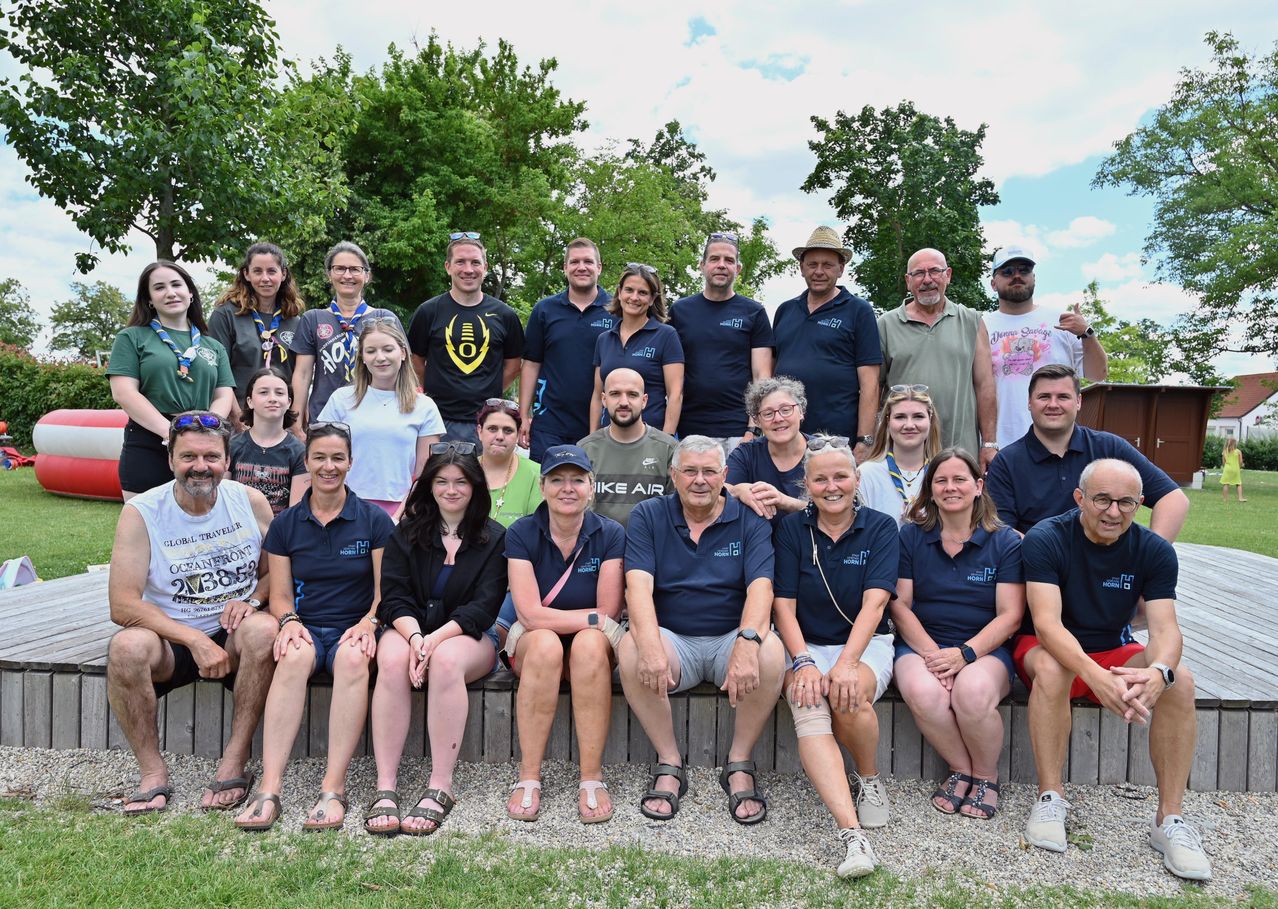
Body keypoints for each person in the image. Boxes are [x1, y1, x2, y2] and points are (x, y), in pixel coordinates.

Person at [1016, 459, 1210, 881]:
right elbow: (1047, 624)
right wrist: (1094, 675)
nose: (1113, 512)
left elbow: (1165, 629)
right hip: (1047, 648)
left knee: (1182, 681)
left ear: (1140, 504)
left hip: (1112, 650)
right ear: (1080, 498)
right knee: (1053, 668)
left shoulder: (1153, 549)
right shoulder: (1047, 538)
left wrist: (1159, 671)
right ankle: (1050, 797)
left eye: (1126, 502)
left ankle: (1169, 820)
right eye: (1102, 499)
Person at [105, 412, 275, 814]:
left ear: (227, 460)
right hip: (171, 638)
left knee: (265, 631)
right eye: (189, 457)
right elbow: (122, 604)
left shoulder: (249, 501)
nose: (201, 466)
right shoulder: (142, 513)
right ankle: (152, 773)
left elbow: (277, 574)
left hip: (235, 633)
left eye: (211, 456)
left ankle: (235, 759)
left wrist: (251, 601)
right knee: (126, 647)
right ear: (170, 460)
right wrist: (194, 640)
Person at [234, 423, 395, 831]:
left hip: (353, 627)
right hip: (305, 623)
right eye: (320, 457)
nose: (329, 466)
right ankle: (269, 789)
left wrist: (369, 622)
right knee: (290, 656)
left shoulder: (374, 520)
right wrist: (287, 622)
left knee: (355, 660)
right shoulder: (287, 523)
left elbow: (385, 591)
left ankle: (333, 788)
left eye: (337, 458)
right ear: (306, 462)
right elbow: (281, 593)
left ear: (350, 463)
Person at [618, 436, 784, 824]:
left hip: (729, 636)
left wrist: (746, 641)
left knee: (771, 651)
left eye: (710, 471)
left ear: (725, 476)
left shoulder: (748, 517)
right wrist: (650, 645)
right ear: (673, 475)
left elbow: (762, 587)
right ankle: (669, 760)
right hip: (675, 639)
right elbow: (637, 585)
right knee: (631, 648)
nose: (700, 480)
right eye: (690, 471)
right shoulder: (649, 514)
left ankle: (739, 761)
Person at [772, 436, 900, 877]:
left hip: (866, 642)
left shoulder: (882, 527)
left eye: (840, 476)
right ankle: (852, 835)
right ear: (805, 484)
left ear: (856, 479)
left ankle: (867, 777)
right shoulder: (791, 530)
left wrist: (846, 662)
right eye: (820, 478)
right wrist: (804, 661)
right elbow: (782, 606)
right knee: (808, 701)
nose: (832, 486)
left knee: (848, 695)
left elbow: (876, 604)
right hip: (805, 643)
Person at [365, 443, 507, 836]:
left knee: (445, 661)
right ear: (429, 486)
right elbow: (393, 596)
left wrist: (434, 641)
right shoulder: (405, 533)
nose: (451, 489)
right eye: (442, 481)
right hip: (408, 628)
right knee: (391, 660)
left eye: (461, 481)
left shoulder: (495, 538)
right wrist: (414, 638)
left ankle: (440, 786)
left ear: (476, 487)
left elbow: (484, 606)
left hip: (467, 635)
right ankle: (385, 786)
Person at [891, 448, 1025, 821]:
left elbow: (1011, 616)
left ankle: (986, 775)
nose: (951, 487)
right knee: (922, 690)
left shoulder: (1005, 542)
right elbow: (900, 605)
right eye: (941, 481)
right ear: (930, 490)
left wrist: (964, 655)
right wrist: (935, 656)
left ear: (978, 486)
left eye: (960, 479)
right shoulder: (912, 537)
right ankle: (963, 768)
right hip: (922, 644)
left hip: (984, 649)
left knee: (973, 692)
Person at [502, 446, 626, 824]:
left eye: (577, 480)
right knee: (543, 644)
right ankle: (529, 775)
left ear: (592, 487)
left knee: (588, 645)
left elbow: (608, 610)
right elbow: (528, 613)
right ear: (542, 486)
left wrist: (589, 621)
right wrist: (588, 618)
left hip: (590, 645)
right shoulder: (521, 532)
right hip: (535, 640)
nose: (567, 488)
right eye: (557, 479)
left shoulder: (610, 533)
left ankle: (591, 777)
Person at [985, 365, 1189, 539]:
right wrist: (1050, 560)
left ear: (1079, 402)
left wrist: (1151, 553)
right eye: (1044, 397)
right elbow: (1003, 531)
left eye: (1063, 397)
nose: (1053, 404)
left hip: (1106, 567)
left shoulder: (1110, 449)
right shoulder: (1007, 462)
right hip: (1037, 572)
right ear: (1029, 402)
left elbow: (1173, 499)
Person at [108, 261, 235, 499]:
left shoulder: (214, 346)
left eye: (176, 284)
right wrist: (170, 433)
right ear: (149, 299)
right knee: (145, 528)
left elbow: (223, 393)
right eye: (159, 288)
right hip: (149, 442)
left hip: (202, 441)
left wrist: (209, 427)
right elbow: (124, 393)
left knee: (202, 526)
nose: (170, 292)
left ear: (190, 293)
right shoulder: (131, 337)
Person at [876, 248, 998, 470]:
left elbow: (985, 385)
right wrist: (871, 442)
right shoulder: (885, 324)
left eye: (935, 271)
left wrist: (989, 443)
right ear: (908, 281)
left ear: (948, 275)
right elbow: (875, 387)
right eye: (919, 273)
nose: (927, 280)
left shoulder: (971, 321)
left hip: (960, 449)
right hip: (904, 451)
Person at [983, 245, 1108, 450]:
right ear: (993, 283)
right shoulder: (981, 326)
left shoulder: (1062, 321)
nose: (1017, 276)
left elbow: (1098, 374)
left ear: (1034, 278)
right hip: (999, 445)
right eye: (1007, 272)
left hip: (1057, 447)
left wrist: (1087, 333)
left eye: (1024, 270)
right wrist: (987, 443)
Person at [773, 226, 881, 460]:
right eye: (812, 264)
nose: (819, 271)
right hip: (786, 437)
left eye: (827, 265)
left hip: (836, 440)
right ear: (801, 268)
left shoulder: (858, 310)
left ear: (841, 269)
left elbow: (870, 383)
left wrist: (864, 440)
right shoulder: (785, 310)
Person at [317, 319, 444, 516]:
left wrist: (402, 515)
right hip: (345, 507)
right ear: (362, 358)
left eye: (387, 349)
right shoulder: (341, 400)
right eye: (371, 351)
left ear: (402, 353)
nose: (380, 357)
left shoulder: (425, 407)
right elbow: (323, 461)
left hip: (401, 509)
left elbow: (425, 473)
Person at [407, 232, 525, 445]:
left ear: (486, 268)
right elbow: (415, 361)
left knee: (485, 478)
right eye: (460, 262)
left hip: (486, 421)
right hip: (436, 419)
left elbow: (515, 366)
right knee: (438, 478)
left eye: (475, 262)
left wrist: (489, 390)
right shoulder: (428, 312)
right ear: (447, 267)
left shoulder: (505, 315)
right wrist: (433, 390)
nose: (468, 270)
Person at [670, 231, 774, 446]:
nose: (721, 265)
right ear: (702, 265)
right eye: (714, 259)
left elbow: (761, 376)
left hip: (737, 430)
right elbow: (670, 375)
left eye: (729, 260)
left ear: (738, 269)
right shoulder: (679, 311)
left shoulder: (754, 312)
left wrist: (753, 429)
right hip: (688, 428)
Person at [518, 238, 615, 461]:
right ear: (565, 268)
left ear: (599, 268)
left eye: (588, 262)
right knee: (546, 492)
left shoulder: (615, 310)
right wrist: (523, 415)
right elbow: (531, 364)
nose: (581, 267)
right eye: (574, 262)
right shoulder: (544, 310)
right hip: (550, 424)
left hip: (601, 425)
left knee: (592, 493)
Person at [289, 241, 402, 429]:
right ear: (329, 274)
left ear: (367, 275)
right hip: (325, 418)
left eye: (355, 269)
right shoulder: (313, 319)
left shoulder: (384, 318)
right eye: (340, 268)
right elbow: (302, 374)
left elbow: (403, 371)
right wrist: (296, 423)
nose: (347, 275)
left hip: (377, 417)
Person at [207, 242, 305, 426]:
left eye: (272, 271)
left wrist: (295, 421)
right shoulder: (226, 315)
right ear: (246, 274)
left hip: (281, 422)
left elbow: (300, 375)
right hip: (239, 419)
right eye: (258, 271)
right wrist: (238, 419)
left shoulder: (295, 320)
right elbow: (218, 372)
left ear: (283, 274)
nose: (265, 278)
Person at [590, 263, 685, 436]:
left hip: (651, 440)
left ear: (652, 299)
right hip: (609, 439)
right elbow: (598, 395)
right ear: (619, 293)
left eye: (642, 293)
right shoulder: (604, 339)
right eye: (629, 290)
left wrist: (667, 441)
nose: (634, 297)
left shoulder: (666, 336)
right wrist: (593, 439)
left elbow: (675, 394)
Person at [577, 368, 677, 528]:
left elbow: (678, 513)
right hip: (599, 548)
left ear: (644, 400)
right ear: (604, 399)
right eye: (615, 394)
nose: (624, 402)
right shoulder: (585, 449)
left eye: (632, 394)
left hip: (650, 548)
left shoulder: (668, 449)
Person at [726, 377, 810, 526]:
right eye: (768, 413)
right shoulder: (746, 454)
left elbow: (842, 509)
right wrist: (739, 490)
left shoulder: (824, 451)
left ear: (801, 411)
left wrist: (786, 502)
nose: (778, 418)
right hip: (761, 544)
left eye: (786, 410)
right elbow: (717, 487)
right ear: (757, 421)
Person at [858, 386, 943, 526]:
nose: (909, 425)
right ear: (887, 421)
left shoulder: (943, 474)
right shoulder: (866, 474)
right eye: (900, 417)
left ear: (930, 420)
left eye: (918, 416)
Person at [228, 367, 308, 515]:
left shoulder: (299, 451)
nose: (272, 398)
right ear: (250, 401)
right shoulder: (232, 446)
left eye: (279, 393)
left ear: (289, 402)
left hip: (279, 533)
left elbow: (296, 512)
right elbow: (223, 500)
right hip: (239, 531)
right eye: (263, 392)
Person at [477, 398, 542, 527]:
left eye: (508, 430)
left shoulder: (537, 474)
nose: (500, 436)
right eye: (492, 429)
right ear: (480, 431)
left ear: (518, 435)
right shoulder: (463, 470)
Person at [1220, 437, 1246, 502]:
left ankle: (1225, 499)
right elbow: (1240, 462)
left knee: (1226, 484)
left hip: (1227, 469)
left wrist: (1225, 467)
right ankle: (1240, 498)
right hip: (1235, 469)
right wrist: (1239, 467)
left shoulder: (1224, 451)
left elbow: (1223, 462)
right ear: (1234, 444)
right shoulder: (1238, 451)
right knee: (1238, 483)